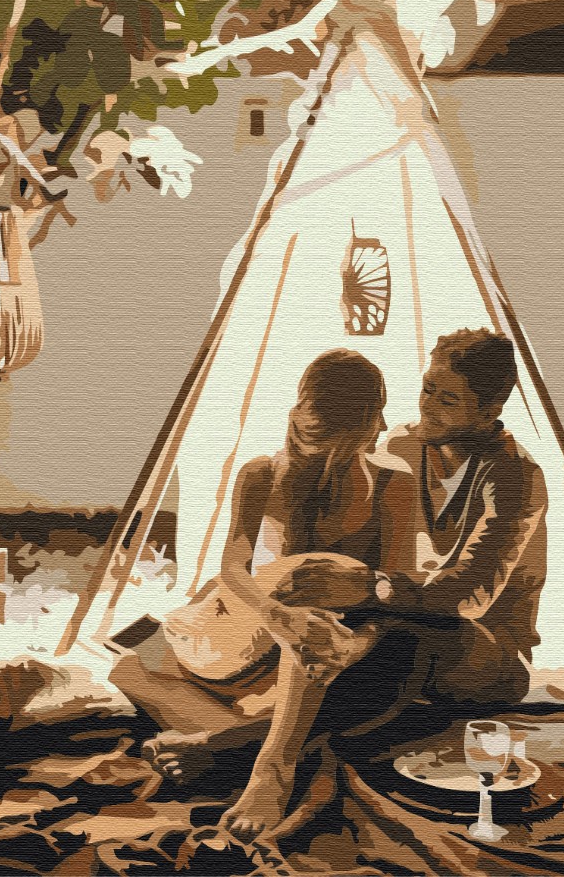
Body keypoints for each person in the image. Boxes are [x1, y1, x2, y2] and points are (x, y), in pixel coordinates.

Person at [230, 327, 549, 834]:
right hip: (396, 615)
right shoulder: (402, 444)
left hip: (484, 646)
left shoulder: (515, 476)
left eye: (448, 400)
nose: (428, 408)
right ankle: (263, 747)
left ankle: (230, 748)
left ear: (489, 411)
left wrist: (368, 588)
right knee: (336, 633)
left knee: (405, 641)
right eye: (427, 389)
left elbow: (470, 596)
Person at [108, 349, 414, 836]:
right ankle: (261, 759)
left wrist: (355, 644)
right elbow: (233, 568)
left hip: (322, 641)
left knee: (338, 623)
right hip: (253, 619)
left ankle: (235, 753)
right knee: (306, 582)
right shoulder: (262, 474)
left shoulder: (392, 483)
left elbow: (394, 590)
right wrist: (276, 614)